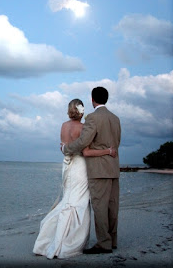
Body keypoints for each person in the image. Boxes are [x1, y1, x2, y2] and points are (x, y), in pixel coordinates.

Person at [33, 98, 116, 259]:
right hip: (79, 167)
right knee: (78, 202)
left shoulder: (63, 126)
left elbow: (64, 149)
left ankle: (49, 240)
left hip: (67, 166)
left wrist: (66, 150)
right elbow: (87, 153)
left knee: (68, 199)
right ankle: (67, 242)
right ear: (82, 111)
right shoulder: (84, 128)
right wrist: (107, 151)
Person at [61, 87, 121, 254]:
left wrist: (66, 149)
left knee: (100, 207)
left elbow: (83, 141)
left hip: (98, 169)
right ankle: (112, 240)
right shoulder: (115, 118)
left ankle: (103, 243)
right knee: (112, 206)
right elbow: (117, 141)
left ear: (93, 99)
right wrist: (108, 151)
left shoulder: (93, 118)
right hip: (113, 168)